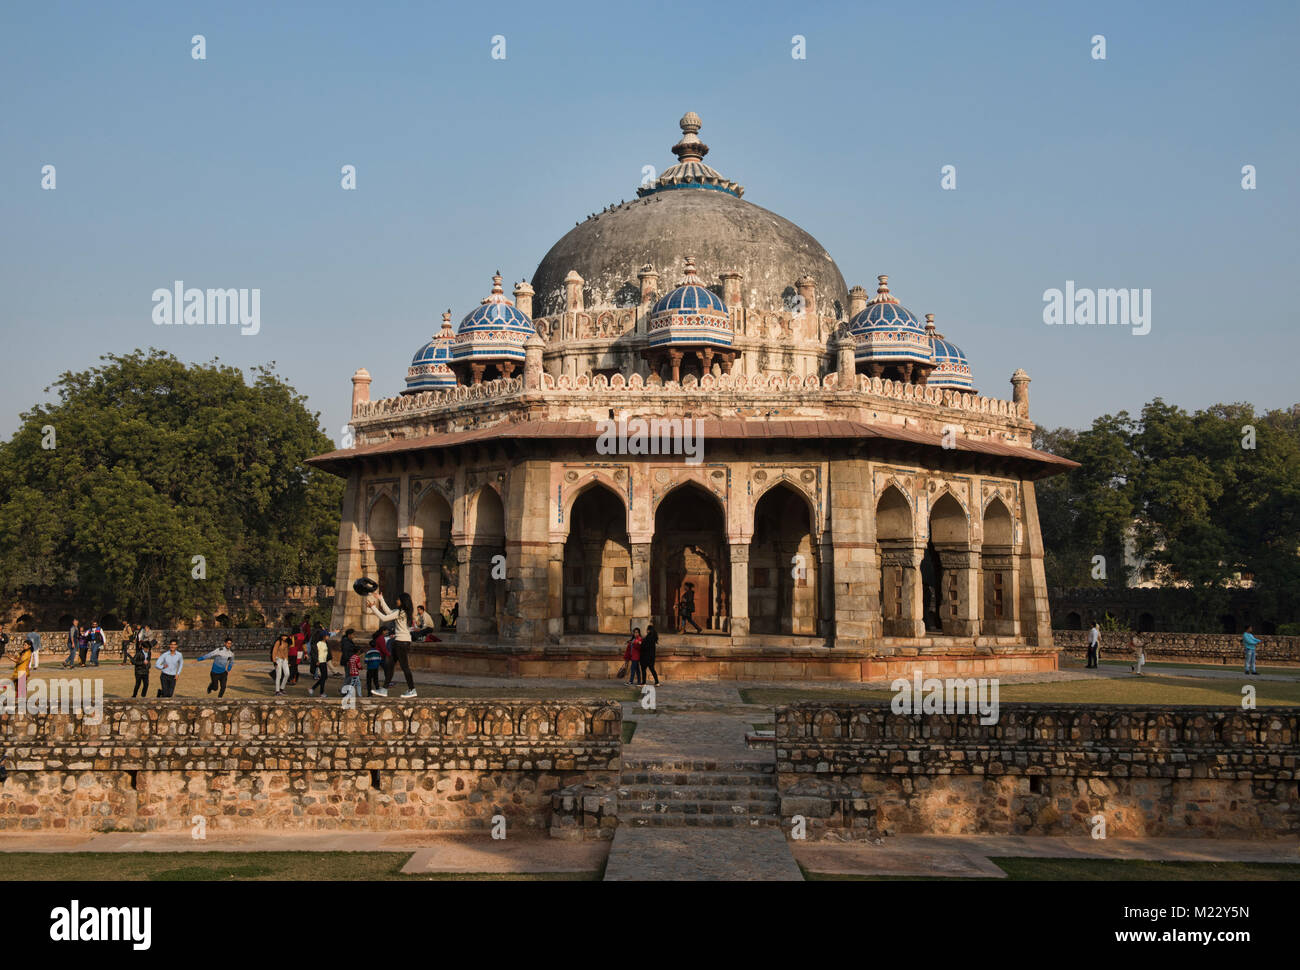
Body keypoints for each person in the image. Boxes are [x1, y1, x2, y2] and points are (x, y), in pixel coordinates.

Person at [367, 591, 417, 697]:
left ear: (403, 601)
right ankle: (384, 689)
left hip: (401, 642)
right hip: (400, 642)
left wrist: (373, 608)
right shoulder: (402, 612)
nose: (396, 601)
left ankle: (412, 689)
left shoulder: (400, 612)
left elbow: (384, 618)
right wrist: (381, 599)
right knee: (390, 666)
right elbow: (389, 613)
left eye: (398, 599)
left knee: (404, 667)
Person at [131, 633, 153, 698]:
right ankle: (134, 695)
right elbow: (133, 661)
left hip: (146, 671)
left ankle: (143, 696)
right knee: (138, 684)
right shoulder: (138, 653)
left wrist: (148, 665)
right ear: (143, 647)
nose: (147, 650)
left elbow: (148, 660)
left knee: (146, 684)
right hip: (139, 671)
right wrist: (142, 662)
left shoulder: (149, 653)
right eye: (146, 648)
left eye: (148, 648)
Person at [308, 633, 330, 697]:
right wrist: (316, 660)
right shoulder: (319, 643)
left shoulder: (326, 643)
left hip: (324, 661)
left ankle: (313, 689)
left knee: (324, 677)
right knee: (324, 676)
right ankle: (319, 691)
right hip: (320, 661)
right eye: (327, 636)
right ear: (323, 636)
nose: (328, 637)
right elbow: (315, 652)